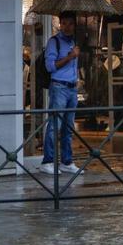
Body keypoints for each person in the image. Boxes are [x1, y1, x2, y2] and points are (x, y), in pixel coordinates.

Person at [41, 11, 82, 176]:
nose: (66, 27)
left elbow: (75, 66)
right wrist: (70, 56)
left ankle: (67, 161)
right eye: (63, 23)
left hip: (72, 87)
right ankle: (48, 161)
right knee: (54, 125)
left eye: (70, 23)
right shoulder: (54, 42)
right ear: (59, 24)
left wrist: (78, 79)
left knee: (69, 126)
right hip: (59, 87)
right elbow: (50, 67)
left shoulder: (75, 42)